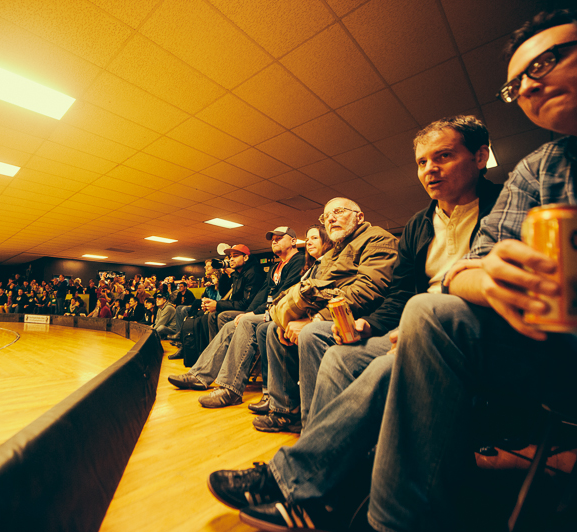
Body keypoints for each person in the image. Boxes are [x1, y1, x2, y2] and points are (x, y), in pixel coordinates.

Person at [208, 10, 577, 532]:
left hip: (492, 337)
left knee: (421, 318)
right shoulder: (537, 170)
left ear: (479, 156)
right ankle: (328, 486)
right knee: (341, 352)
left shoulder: (496, 193)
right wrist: (370, 325)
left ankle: (314, 486)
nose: (530, 84)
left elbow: (380, 284)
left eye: (548, 60)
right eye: (516, 83)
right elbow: (445, 277)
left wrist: (416, 313)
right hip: (464, 328)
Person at [255, 116, 503, 434]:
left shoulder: (504, 208)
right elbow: (400, 295)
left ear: (480, 157)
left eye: (443, 156)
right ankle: (301, 423)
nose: (430, 169)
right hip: (403, 326)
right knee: (332, 355)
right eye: (422, 162)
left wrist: (314, 316)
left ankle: (319, 446)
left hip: (469, 330)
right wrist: (369, 325)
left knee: (321, 338)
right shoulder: (418, 224)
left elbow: (369, 287)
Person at [167, 227, 306, 408]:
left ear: (294, 241)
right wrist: (250, 311)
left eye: (279, 238)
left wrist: (253, 314)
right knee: (230, 324)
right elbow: (264, 293)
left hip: (285, 313)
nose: (274, 241)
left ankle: (231, 389)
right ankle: (199, 375)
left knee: (246, 321)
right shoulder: (275, 267)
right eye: (272, 239)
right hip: (269, 311)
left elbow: (285, 294)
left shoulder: (299, 261)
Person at [248, 224, 334, 415]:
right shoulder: (310, 267)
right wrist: (267, 311)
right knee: (266, 327)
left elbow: (323, 298)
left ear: (328, 241)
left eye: (315, 238)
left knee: (265, 328)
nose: (309, 242)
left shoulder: (329, 264)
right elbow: (283, 294)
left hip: (319, 319)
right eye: (308, 238)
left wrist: (311, 319)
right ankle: (279, 399)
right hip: (295, 315)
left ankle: (283, 400)